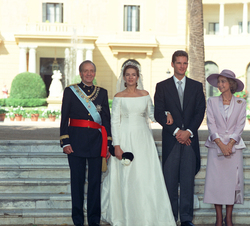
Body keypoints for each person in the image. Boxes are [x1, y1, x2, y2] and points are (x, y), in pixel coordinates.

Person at [101, 61, 176, 226]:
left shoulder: (145, 94)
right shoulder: (119, 97)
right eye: (127, 74)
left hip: (143, 140)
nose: (130, 77)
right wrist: (118, 145)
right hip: (125, 138)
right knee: (127, 176)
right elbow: (115, 122)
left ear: (137, 77)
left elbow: (152, 114)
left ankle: (149, 214)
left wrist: (166, 113)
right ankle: (126, 216)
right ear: (124, 77)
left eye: (133, 74)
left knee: (144, 175)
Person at [154, 50, 206, 226]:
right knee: (169, 182)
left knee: (187, 182)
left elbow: (200, 112)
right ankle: (170, 217)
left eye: (185, 63)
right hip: (172, 141)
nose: (182, 66)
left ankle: (185, 218)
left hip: (190, 141)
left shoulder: (196, 86)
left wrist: (188, 131)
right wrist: (177, 131)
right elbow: (159, 113)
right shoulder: (162, 87)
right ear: (172, 64)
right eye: (179, 63)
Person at [60, 60, 113, 226]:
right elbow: (64, 118)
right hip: (75, 143)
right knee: (77, 183)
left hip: (97, 143)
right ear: (81, 73)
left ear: (94, 73)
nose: (89, 74)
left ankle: (94, 221)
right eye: (85, 71)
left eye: (91, 71)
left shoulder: (102, 93)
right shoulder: (70, 91)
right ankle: (77, 221)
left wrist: (108, 144)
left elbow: (106, 120)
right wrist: (65, 141)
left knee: (95, 184)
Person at [204, 69, 246, 226]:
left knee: (231, 184)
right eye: (219, 81)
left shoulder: (242, 103)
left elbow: (240, 126)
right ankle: (218, 219)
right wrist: (221, 144)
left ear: (231, 84)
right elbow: (211, 124)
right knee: (216, 183)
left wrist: (230, 144)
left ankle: (228, 219)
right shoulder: (212, 101)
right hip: (216, 147)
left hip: (233, 149)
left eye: (223, 81)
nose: (219, 84)